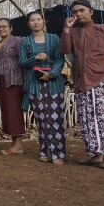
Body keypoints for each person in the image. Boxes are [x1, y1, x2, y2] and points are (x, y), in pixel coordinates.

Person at [60, 0, 104, 170]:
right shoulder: (73, 33)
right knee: (88, 120)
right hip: (81, 82)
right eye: (74, 12)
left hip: (102, 79)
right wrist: (66, 29)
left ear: (91, 11)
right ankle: (96, 155)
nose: (78, 14)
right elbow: (64, 50)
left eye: (81, 10)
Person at [20, 11, 66, 165]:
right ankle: (44, 151)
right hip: (35, 84)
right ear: (28, 24)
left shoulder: (54, 38)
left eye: (38, 19)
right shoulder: (25, 41)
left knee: (56, 118)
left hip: (54, 84)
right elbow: (21, 62)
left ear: (43, 21)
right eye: (32, 20)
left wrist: (51, 74)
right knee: (41, 119)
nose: (35, 22)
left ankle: (58, 153)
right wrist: (35, 58)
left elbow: (60, 60)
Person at [0, 18, 25, 156]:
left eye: (4, 26)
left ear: (11, 28)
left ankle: (18, 145)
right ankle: (14, 142)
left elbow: (23, 59)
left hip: (14, 79)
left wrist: (24, 80)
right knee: (7, 110)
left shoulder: (17, 41)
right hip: (1, 80)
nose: (1, 29)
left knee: (14, 111)